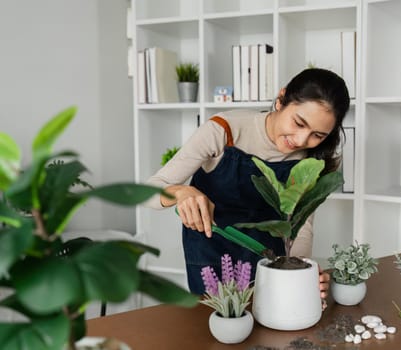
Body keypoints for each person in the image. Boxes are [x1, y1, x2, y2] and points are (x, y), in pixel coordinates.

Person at [146, 68, 350, 299]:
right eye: (298, 123)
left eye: (318, 135)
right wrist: (180, 192)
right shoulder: (224, 131)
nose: (302, 140)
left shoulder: (311, 160)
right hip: (210, 252)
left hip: (269, 259)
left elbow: (301, 227)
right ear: (281, 100)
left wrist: (300, 269)